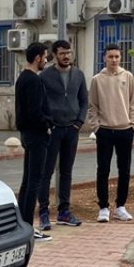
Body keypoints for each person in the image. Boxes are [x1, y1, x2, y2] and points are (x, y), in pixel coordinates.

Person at [37, 40, 88, 230]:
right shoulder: (46, 76)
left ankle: (64, 211)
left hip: (71, 130)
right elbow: (41, 102)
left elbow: (84, 100)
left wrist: (79, 122)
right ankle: (43, 212)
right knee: (46, 172)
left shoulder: (78, 75)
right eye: (62, 53)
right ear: (55, 55)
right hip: (53, 130)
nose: (66, 56)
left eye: (69, 52)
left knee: (66, 172)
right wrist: (48, 123)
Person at [89, 43, 134, 223]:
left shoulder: (128, 77)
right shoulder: (97, 79)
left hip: (125, 130)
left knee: (124, 170)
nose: (114, 60)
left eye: (117, 57)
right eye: (110, 56)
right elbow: (92, 106)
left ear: (120, 58)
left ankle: (120, 206)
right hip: (105, 131)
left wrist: (133, 124)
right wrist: (96, 126)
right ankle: (103, 207)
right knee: (103, 169)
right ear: (104, 58)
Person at [15, 42, 53, 241]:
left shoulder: (22, 78)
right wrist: (47, 125)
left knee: (27, 180)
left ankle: (22, 224)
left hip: (27, 134)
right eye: (45, 56)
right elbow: (35, 112)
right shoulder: (34, 81)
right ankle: (28, 227)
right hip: (37, 135)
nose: (46, 60)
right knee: (34, 181)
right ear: (38, 57)